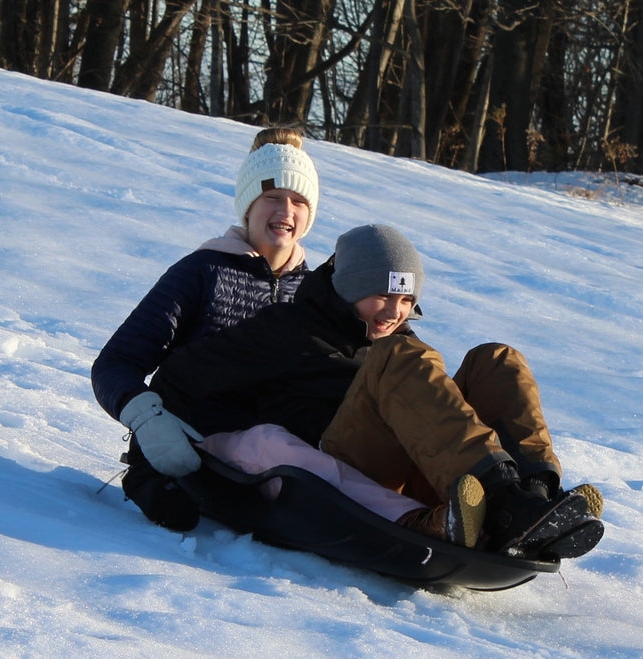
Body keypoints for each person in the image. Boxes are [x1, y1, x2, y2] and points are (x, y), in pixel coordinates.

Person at [142, 224, 603, 558]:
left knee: (496, 358)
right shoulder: (285, 330)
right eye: (381, 295)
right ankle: (504, 502)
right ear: (347, 287)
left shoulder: (396, 339)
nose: (392, 312)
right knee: (398, 357)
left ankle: (536, 495)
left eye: (406, 301)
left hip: (418, 461)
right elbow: (174, 384)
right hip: (339, 460)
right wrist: (157, 465)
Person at [91, 127, 320, 530]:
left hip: (277, 455)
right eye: (273, 197)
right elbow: (115, 363)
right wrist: (149, 419)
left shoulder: (317, 294)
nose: (286, 210)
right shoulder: (203, 271)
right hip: (186, 447)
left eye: (299, 200)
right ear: (248, 204)